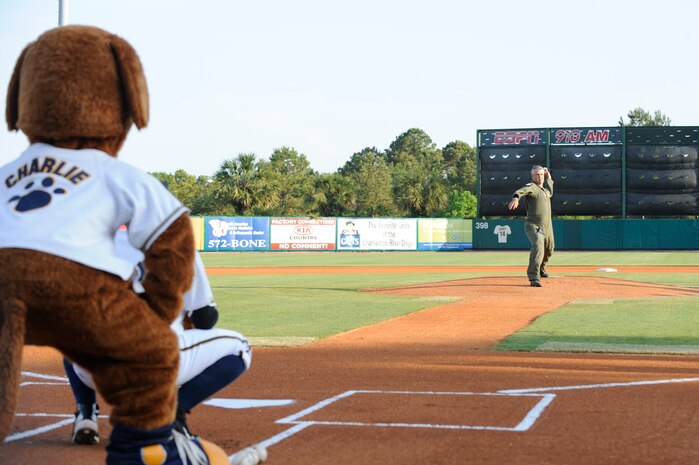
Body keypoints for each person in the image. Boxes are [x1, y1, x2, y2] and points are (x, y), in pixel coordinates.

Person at [66, 229, 253, 448]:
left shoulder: (89, 239)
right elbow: (205, 318)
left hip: (96, 371)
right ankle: (173, 413)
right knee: (240, 348)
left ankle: (86, 412)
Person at [507, 165, 555, 287]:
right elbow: (521, 191)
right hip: (534, 225)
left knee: (549, 249)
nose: (539, 177)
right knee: (538, 244)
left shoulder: (545, 191)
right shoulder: (532, 187)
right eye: (536, 175)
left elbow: (550, 190)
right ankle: (534, 277)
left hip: (548, 228)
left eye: (540, 175)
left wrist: (548, 177)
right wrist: (516, 198)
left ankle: (541, 268)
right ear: (532, 176)